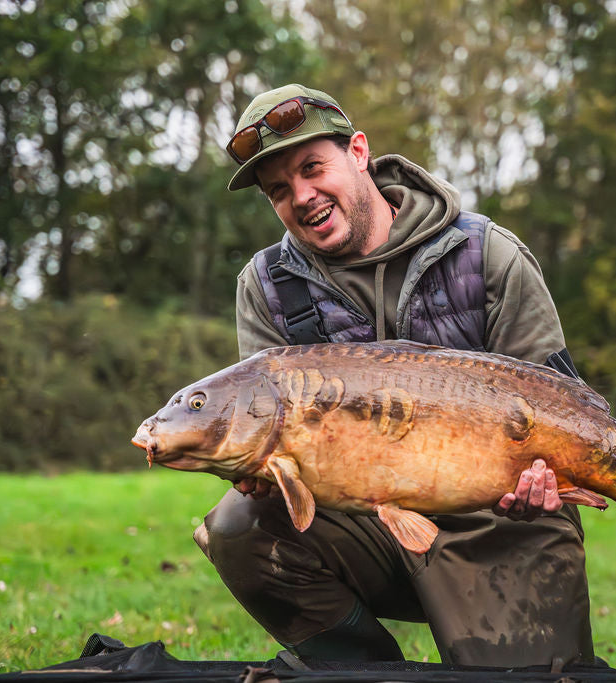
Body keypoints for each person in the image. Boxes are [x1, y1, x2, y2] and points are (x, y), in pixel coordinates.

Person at [193, 83, 595, 668]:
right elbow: (265, 437)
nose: (302, 196)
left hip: (500, 527)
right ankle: (368, 674)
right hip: (366, 527)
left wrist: (547, 480)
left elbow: (563, 407)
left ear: (359, 152)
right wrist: (256, 467)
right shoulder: (267, 286)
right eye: (279, 190)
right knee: (238, 526)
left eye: (312, 168)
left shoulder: (487, 255)